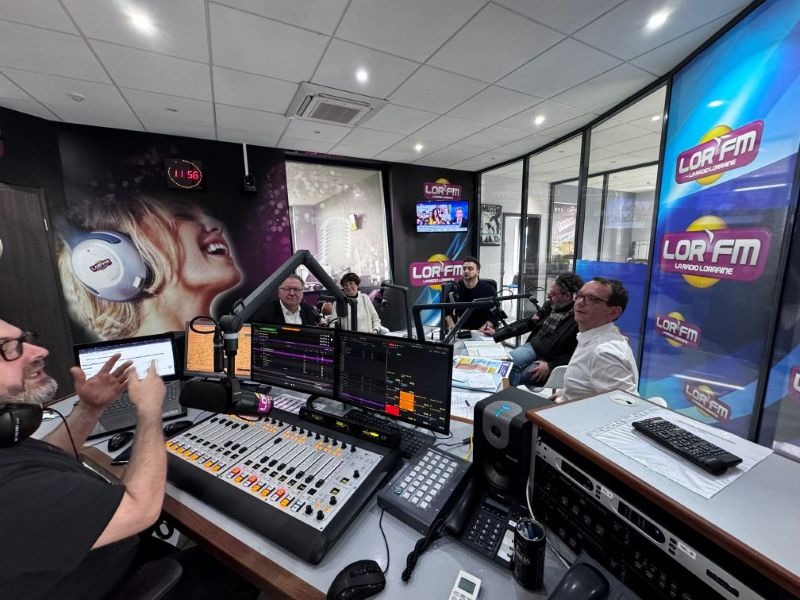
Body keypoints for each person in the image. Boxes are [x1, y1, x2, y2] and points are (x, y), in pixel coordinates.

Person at [0, 318, 258, 599]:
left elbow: (43, 457)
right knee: (241, 566)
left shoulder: (8, 445)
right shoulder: (12, 489)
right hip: (117, 581)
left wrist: (90, 408)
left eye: (26, 339)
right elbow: (140, 509)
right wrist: (149, 409)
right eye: (8, 348)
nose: (39, 351)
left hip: (101, 553)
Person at [57, 196, 242, 340]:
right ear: (120, 254)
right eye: (183, 215)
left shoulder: (228, 351)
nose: (217, 226)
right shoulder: (127, 374)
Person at [483, 273, 583, 386]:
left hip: (550, 360)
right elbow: (528, 323)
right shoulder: (550, 306)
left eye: (552, 294)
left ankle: (502, 391)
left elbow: (579, 353)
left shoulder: (579, 319)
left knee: (513, 376)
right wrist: (496, 334)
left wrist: (551, 366)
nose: (548, 296)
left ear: (567, 296)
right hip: (533, 347)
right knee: (503, 365)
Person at [556, 277, 638, 403]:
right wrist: (563, 395)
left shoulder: (604, 353)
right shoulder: (590, 336)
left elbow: (626, 407)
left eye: (592, 299)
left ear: (614, 312)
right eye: (579, 295)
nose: (580, 302)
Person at [444, 257, 498, 332]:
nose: (466, 271)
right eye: (464, 268)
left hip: (481, 331)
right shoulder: (456, 288)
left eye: (470, 269)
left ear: (478, 272)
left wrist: (480, 332)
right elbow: (446, 311)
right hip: (461, 331)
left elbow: (495, 316)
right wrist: (451, 325)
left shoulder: (489, 290)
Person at [250, 273, 320, 325]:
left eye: (296, 289)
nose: (292, 293)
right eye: (287, 289)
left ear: (302, 293)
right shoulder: (264, 314)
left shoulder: (310, 311)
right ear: (279, 292)